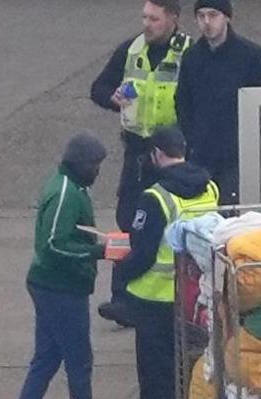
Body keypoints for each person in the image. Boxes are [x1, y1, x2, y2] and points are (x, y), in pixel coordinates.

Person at [7, 133, 130, 399]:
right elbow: (52, 245)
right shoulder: (65, 194)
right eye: (96, 165)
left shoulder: (70, 187)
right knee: (79, 362)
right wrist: (98, 251)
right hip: (60, 289)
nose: (98, 171)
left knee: (46, 360)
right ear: (82, 164)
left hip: (53, 287)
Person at [113, 126, 217, 399]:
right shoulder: (209, 188)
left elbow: (141, 254)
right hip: (195, 302)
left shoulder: (155, 197)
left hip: (155, 307)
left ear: (157, 154)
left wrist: (119, 272)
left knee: (158, 384)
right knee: (194, 374)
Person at [90, 0, 191, 328]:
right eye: (145, 17)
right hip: (137, 153)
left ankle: (173, 296)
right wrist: (112, 98)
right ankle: (123, 299)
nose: (147, 24)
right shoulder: (131, 50)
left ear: (173, 19)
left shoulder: (189, 53)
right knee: (128, 220)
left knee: (168, 222)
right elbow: (98, 88)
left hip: (171, 152)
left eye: (154, 18)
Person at [175, 0, 261, 204]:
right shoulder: (192, 57)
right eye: (201, 16)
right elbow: (183, 102)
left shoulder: (251, 56)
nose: (206, 22)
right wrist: (191, 139)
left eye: (213, 15)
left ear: (226, 17)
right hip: (201, 154)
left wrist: (249, 134)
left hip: (238, 155)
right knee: (201, 211)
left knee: (234, 213)